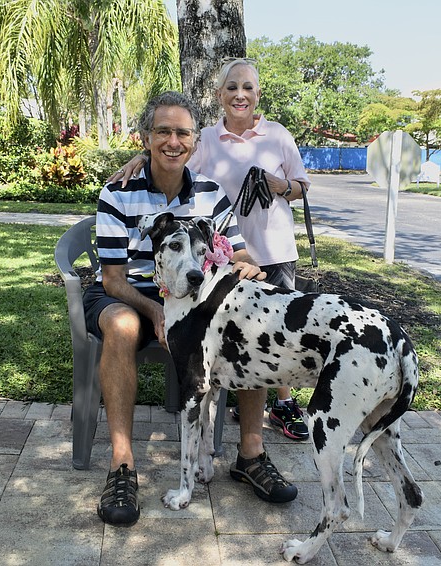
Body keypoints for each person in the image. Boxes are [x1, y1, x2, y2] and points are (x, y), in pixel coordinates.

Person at [85, 91, 297, 528]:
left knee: (246, 322)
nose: (172, 141)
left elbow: (241, 255)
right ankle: (122, 466)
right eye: (163, 131)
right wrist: (155, 311)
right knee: (123, 326)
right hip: (130, 295)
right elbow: (113, 279)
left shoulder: (210, 195)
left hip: (193, 301)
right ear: (146, 137)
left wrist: (246, 268)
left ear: (195, 141)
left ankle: (250, 454)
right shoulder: (118, 192)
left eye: (182, 132)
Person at [110, 58, 311, 442]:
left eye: (248, 87)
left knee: (270, 331)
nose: (240, 94)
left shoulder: (278, 135)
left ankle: (271, 421)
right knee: (244, 330)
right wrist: (143, 157)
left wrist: (278, 185)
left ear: (257, 94)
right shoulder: (205, 140)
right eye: (232, 87)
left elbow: (302, 186)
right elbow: (172, 157)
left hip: (262, 250)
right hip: (208, 260)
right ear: (220, 95)